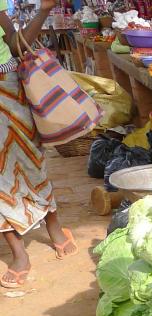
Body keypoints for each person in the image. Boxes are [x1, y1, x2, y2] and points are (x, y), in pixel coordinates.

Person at [0, 0, 77, 288]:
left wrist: (44, 10)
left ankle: (55, 228)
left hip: (5, 87)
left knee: (32, 162)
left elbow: (16, 46)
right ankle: (19, 253)